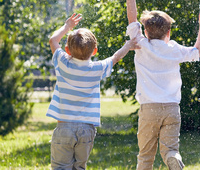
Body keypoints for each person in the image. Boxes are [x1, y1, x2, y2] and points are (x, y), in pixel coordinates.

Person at [120, 0, 200, 170]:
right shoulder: (174, 48)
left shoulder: (140, 43)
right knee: (170, 148)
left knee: (145, 155)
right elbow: (198, 52)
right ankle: (173, 157)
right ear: (169, 32)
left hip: (149, 108)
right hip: (172, 108)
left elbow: (132, 18)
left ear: (145, 31)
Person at [48, 13, 139, 170]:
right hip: (87, 130)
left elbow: (52, 40)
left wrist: (67, 27)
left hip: (64, 128)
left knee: (60, 167)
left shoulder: (63, 64)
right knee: (80, 167)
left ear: (67, 50)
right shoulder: (97, 69)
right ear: (95, 50)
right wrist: (128, 45)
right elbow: (115, 57)